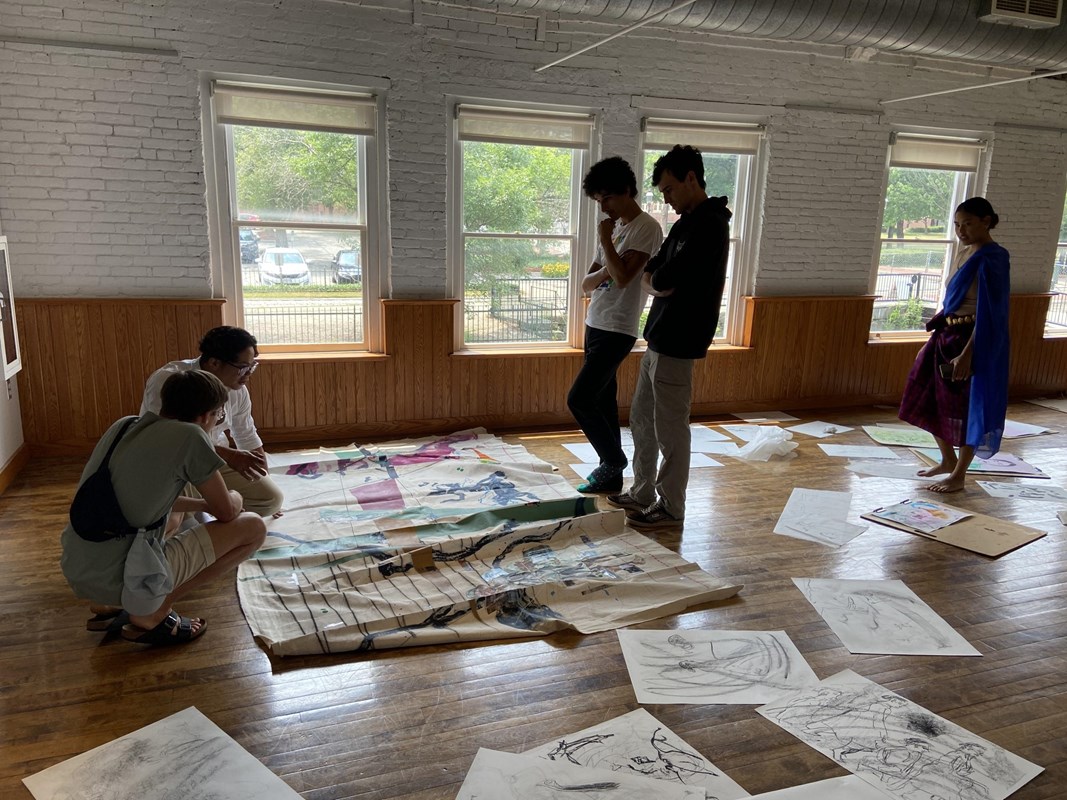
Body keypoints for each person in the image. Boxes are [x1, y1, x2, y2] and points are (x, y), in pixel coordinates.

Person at [61, 370, 267, 645]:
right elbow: (227, 512)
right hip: (122, 573)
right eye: (218, 415)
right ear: (205, 416)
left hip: (80, 567)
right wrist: (235, 497)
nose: (217, 421)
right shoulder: (191, 436)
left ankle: (110, 604)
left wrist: (202, 503)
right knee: (254, 527)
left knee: (173, 512)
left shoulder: (124, 425)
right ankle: (153, 609)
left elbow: (137, 499)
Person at [607, 145, 732, 530]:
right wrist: (654, 282)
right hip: (659, 337)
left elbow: (664, 276)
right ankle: (643, 491)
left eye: (669, 189)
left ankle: (671, 506)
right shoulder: (684, 224)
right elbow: (655, 273)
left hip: (681, 340)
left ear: (691, 178)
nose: (666, 199)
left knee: (671, 430)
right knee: (642, 420)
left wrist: (656, 281)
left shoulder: (711, 224)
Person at [898, 197, 1010, 493]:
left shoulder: (993, 258)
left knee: (966, 406)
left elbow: (991, 312)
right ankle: (947, 459)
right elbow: (952, 300)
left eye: (968, 224)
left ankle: (959, 474)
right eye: (957, 225)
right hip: (947, 333)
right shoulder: (964, 251)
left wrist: (968, 354)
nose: (961, 231)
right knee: (927, 395)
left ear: (987, 222)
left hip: (973, 339)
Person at [567, 157, 664, 494]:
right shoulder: (616, 229)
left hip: (618, 328)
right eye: (598, 201)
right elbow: (586, 284)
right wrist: (611, 262)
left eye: (606, 198)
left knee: (579, 399)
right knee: (603, 401)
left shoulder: (645, 228)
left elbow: (623, 278)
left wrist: (607, 245)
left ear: (626, 191)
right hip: (595, 322)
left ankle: (613, 460)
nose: (603, 208)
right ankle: (611, 476)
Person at [141, 325, 284, 516]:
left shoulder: (237, 389)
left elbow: (246, 434)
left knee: (271, 500)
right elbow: (165, 439)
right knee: (175, 517)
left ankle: (204, 506)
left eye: (252, 366)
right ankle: (200, 508)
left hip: (214, 457)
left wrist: (261, 476)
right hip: (172, 461)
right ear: (214, 362)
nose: (248, 374)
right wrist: (228, 455)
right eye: (243, 368)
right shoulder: (171, 380)